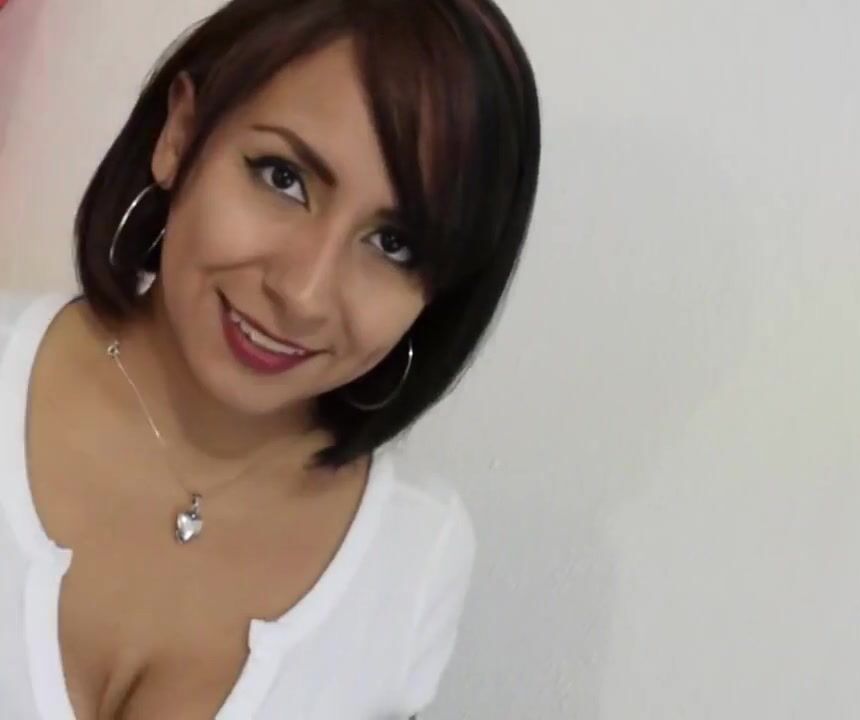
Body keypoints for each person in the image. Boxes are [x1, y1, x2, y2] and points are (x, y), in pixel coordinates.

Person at [0, 0, 539, 717]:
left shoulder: (415, 556)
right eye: (283, 178)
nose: (305, 293)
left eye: (393, 244)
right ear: (180, 133)